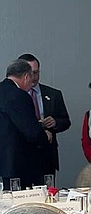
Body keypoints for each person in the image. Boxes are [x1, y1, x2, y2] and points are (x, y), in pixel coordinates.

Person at [0, 59, 52, 189]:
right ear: (26, 77)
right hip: (15, 166)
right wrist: (45, 136)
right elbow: (31, 131)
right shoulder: (19, 95)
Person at [18, 53, 71, 180]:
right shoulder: (14, 96)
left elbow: (66, 121)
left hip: (46, 155)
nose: (33, 77)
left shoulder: (53, 94)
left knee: (47, 189)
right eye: (30, 73)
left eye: (36, 73)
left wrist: (55, 122)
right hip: (21, 155)